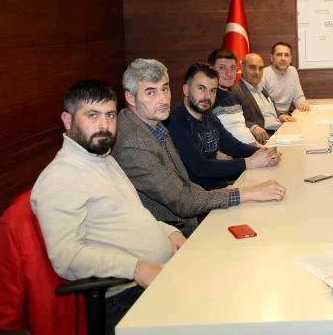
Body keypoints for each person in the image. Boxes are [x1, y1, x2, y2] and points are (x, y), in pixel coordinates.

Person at [30, 80, 183, 332]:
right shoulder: (61, 177)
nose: (104, 125)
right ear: (67, 120)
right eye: (92, 115)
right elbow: (67, 257)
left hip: (160, 273)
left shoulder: (102, 158)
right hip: (126, 297)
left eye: (110, 115)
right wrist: (136, 269)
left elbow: (133, 216)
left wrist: (170, 233)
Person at [114, 59, 286, 234]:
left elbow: (183, 181)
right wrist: (246, 193)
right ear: (130, 97)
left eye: (164, 89)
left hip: (196, 207)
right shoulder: (135, 144)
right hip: (174, 230)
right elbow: (184, 201)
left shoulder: (155, 125)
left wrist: (229, 190)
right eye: (151, 92)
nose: (163, 99)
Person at [167, 63, 281, 190]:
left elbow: (234, 146)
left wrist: (265, 153)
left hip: (221, 187)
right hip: (201, 196)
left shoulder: (209, 116)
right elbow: (201, 167)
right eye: (201, 88)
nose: (208, 96)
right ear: (186, 90)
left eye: (213, 90)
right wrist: (251, 162)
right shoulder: (176, 122)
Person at [231, 53, 290, 136]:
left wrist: (280, 115)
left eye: (261, 68)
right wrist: (252, 127)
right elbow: (232, 122)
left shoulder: (261, 89)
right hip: (266, 136)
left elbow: (269, 111)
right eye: (252, 67)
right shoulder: (235, 91)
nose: (257, 72)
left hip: (280, 130)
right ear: (242, 68)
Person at [207, 48, 257, 144]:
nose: (229, 74)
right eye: (222, 68)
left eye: (232, 68)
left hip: (253, 146)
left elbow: (241, 128)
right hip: (239, 152)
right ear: (211, 70)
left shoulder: (234, 95)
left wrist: (259, 147)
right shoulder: (207, 99)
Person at [261, 42, 310, 115]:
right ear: (271, 58)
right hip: (269, 116)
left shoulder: (293, 71)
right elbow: (261, 105)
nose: (283, 59)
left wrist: (302, 103)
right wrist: (279, 115)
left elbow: (298, 96)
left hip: (286, 116)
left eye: (286, 55)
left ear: (290, 59)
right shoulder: (263, 74)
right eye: (279, 55)